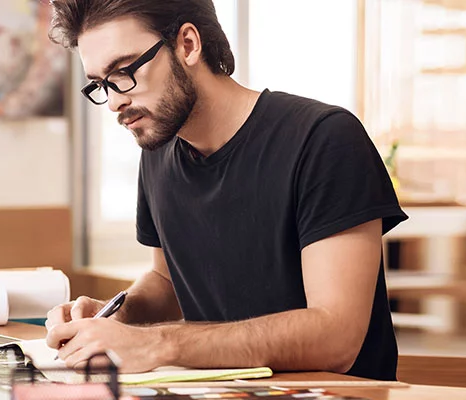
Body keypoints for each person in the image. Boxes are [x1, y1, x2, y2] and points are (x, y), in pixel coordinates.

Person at [42, 0, 408, 381]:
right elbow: (166, 281)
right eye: (101, 84)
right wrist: (116, 314)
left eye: (123, 71)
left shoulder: (324, 139)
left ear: (187, 45)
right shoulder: (159, 149)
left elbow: (337, 338)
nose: (115, 100)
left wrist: (159, 344)